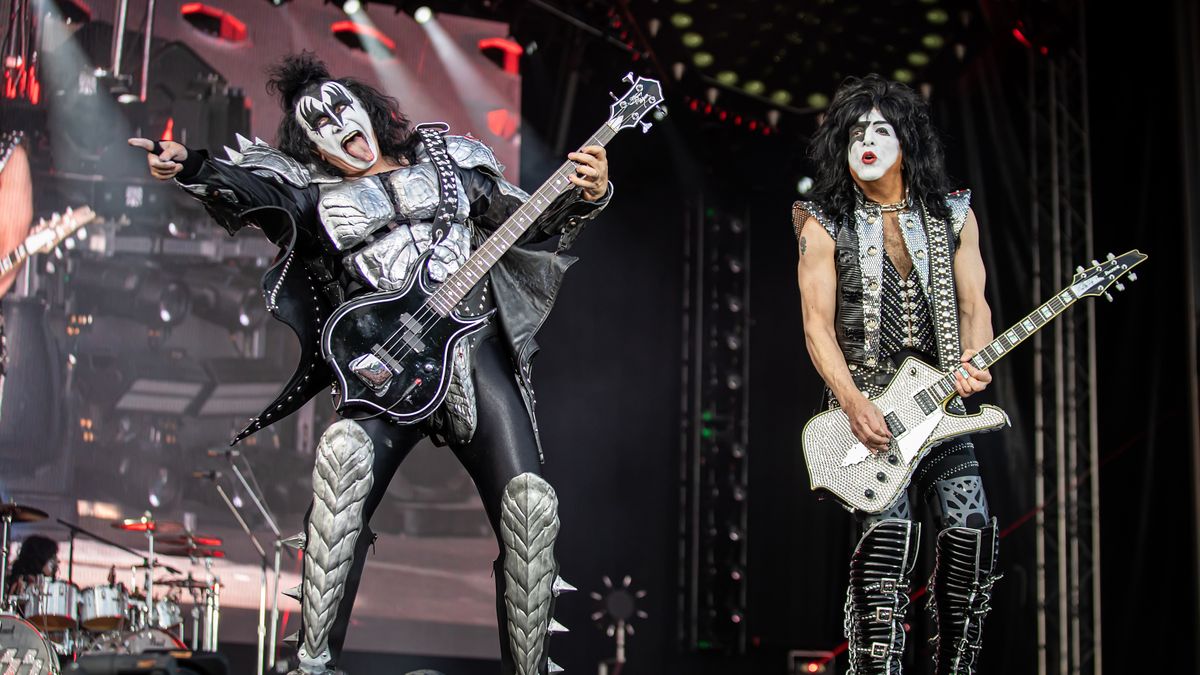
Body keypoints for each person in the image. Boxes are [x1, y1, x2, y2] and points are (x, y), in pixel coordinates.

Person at [130, 52, 612, 675]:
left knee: (530, 507)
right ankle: (312, 664)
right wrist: (190, 165)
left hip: (470, 351)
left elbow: (530, 219)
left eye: (341, 108)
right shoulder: (315, 196)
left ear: (369, 110)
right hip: (386, 366)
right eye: (317, 124)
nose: (335, 124)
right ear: (311, 145)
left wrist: (588, 193)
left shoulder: (453, 164)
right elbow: (251, 190)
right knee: (343, 462)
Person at [792, 74, 1000, 674]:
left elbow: (974, 308)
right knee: (888, 542)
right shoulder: (820, 220)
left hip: (939, 410)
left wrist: (975, 361)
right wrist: (853, 403)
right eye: (856, 131)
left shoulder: (953, 214)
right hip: (870, 415)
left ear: (906, 140)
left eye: (881, 129)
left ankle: (957, 667)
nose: (867, 141)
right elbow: (816, 326)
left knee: (973, 533)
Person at [7, 534, 59, 600]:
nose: (57, 561)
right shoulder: (20, 583)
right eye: (52, 557)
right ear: (40, 559)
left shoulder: (50, 584)